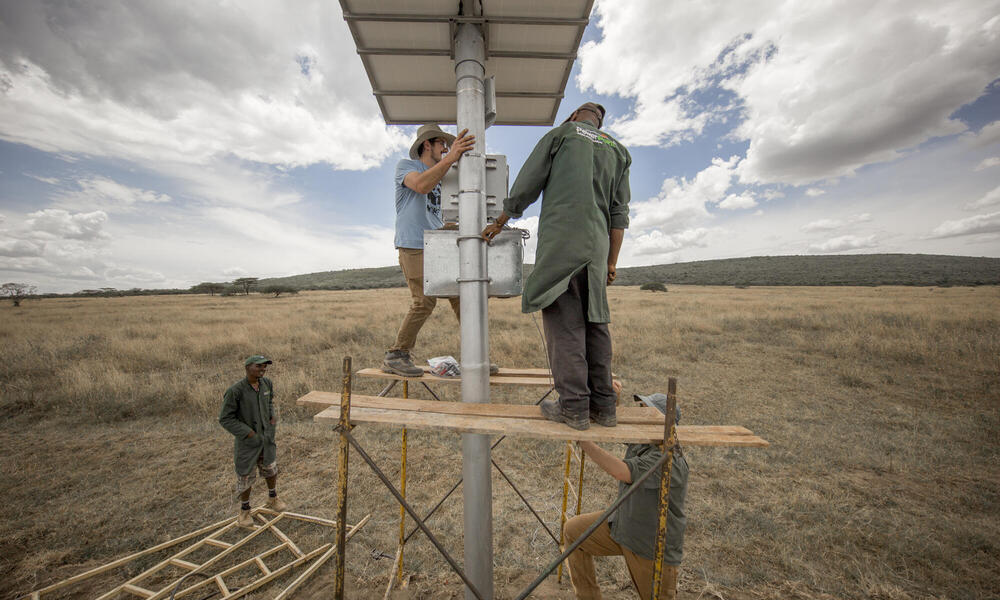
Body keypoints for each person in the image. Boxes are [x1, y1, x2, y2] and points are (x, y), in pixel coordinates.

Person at [482, 102, 630, 430]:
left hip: (563, 244)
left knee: (565, 323)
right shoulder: (618, 151)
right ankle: (604, 407)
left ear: (575, 115)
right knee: (596, 323)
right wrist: (611, 263)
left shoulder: (562, 134)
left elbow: (527, 184)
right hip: (597, 249)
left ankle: (574, 407)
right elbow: (619, 216)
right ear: (600, 124)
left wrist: (501, 220)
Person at [564, 388, 689, 600]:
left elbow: (621, 471)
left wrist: (585, 443)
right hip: (623, 528)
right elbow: (618, 425)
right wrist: (610, 396)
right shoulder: (645, 440)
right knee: (574, 532)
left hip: (650, 547)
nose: (639, 417)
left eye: (645, 413)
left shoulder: (668, 460)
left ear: (663, 425)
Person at [383, 123, 476, 377]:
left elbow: (434, 214)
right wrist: (453, 157)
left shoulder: (441, 175)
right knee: (424, 301)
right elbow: (421, 187)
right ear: (427, 144)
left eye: (448, 146)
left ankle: (475, 356)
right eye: (442, 144)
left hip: (436, 244)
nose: (446, 149)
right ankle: (396, 355)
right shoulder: (407, 166)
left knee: (462, 295)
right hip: (413, 243)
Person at [219, 355, 287, 527]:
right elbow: (225, 419)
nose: (263, 369)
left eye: (264, 366)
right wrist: (247, 433)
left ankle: (273, 498)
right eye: (259, 366)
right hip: (248, 443)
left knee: (271, 469)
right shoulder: (236, 391)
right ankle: (244, 512)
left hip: (266, 439)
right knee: (245, 476)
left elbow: (269, 401)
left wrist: (272, 417)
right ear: (248, 367)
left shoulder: (266, 384)